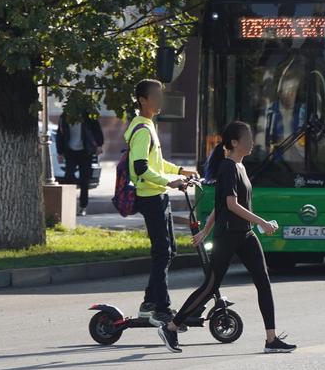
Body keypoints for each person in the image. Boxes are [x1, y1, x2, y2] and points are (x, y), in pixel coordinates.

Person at [159, 121, 296, 354]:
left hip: (245, 234)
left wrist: (205, 230)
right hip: (229, 235)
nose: (251, 142)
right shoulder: (228, 167)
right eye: (247, 138)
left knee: (263, 281)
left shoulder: (240, 167)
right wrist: (261, 222)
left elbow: (219, 205)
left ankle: (271, 339)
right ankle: (171, 327)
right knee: (211, 285)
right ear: (234, 142)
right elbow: (230, 205)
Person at [126, 79, 200, 326]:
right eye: (156, 96)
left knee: (169, 251)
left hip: (158, 196)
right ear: (143, 100)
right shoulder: (142, 130)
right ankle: (161, 308)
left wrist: (180, 171)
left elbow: (156, 163)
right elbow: (141, 167)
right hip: (150, 197)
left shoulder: (149, 126)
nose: (160, 100)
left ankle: (150, 303)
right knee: (162, 252)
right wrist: (170, 182)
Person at [56, 106, 105, 216]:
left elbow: (96, 129)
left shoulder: (87, 115)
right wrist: (60, 152)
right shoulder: (65, 116)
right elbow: (60, 133)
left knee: (84, 180)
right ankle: (69, 205)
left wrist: (99, 145)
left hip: (85, 151)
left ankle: (83, 206)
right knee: (69, 177)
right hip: (70, 151)